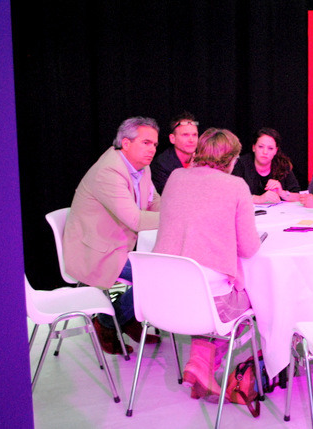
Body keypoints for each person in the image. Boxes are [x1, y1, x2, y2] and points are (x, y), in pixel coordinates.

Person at [153, 128, 261, 401]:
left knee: (208, 290)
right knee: (256, 299)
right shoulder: (236, 186)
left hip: (163, 293)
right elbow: (249, 248)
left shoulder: (176, 177)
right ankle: (203, 365)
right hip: (208, 299)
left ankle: (201, 366)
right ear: (231, 159)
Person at [63, 117, 162, 354]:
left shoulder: (142, 167)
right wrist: (177, 219)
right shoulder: (109, 171)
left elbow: (154, 202)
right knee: (157, 275)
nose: (152, 149)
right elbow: (136, 220)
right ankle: (107, 323)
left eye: (155, 144)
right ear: (126, 143)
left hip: (118, 245)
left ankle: (126, 318)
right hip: (95, 251)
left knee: (163, 270)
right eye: (146, 142)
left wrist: (173, 213)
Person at [232, 127, 301, 203]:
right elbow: (231, 194)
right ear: (254, 147)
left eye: (270, 148)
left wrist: (281, 193)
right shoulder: (241, 164)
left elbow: (298, 196)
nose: (265, 152)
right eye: (261, 147)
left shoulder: (283, 165)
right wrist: (259, 199)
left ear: (276, 151)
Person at [151, 111, 199, 194]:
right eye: (185, 135)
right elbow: (168, 196)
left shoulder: (203, 159)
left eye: (194, 135)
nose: (191, 140)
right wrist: (187, 173)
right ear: (172, 139)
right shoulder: (161, 165)